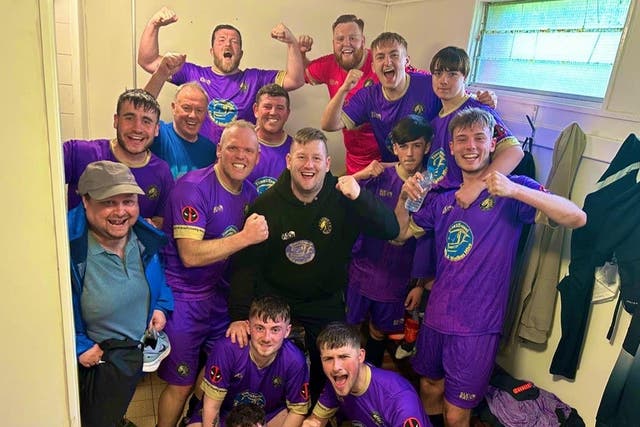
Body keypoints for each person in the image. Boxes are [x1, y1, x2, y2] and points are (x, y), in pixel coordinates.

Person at [394, 108, 586, 427]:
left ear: (491, 145)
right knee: (428, 387)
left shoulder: (513, 190)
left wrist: (515, 189)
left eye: (479, 138)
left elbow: (577, 217)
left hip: (477, 327)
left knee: (457, 413)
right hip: (437, 317)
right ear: (451, 148)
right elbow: (400, 235)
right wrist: (403, 198)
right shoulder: (443, 198)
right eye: (462, 139)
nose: (471, 146)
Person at [227, 127, 400, 400]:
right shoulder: (267, 205)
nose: (309, 166)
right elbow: (246, 263)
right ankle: (271, 405)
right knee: (262, 353)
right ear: (288, 161)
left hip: (323, 298)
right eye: (302, 157)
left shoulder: (343, 197)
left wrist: (360, 196)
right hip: (276, 296)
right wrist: (239, 315)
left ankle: (319, 411)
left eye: (316, 159)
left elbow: (391, 229)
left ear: (327, 164)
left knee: (332, 362)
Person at [156, 120, 268, 427]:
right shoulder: (193, 187)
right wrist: (245, 237)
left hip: (221, 298)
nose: (240, 156)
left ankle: (194, 418)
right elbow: (190, 256)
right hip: (184, 297)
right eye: (232, 147)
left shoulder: (250, 192)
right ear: (219, 150)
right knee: (180, 382)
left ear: (257, 157)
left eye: (248, 150)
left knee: (220, 365)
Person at [69, 160, 174, 426]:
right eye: (108, 202)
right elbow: (47, 309)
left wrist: (160, 305)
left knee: (115, 408)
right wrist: (80, 345)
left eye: (128, 201)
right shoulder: (69, 250)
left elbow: (158, 276)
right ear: (85, 200)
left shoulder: (143, 237)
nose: (120, 212)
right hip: (95, 362)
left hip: (130, 355)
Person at [320, 32, 496, 166]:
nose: (387, 62)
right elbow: (328, 125)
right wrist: (343, 89)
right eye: (380, 57)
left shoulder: (429, 84)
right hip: (395, 170)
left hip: (430, 171)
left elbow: (458, 96)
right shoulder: (368, 95)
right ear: (373, 67)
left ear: (406, 62)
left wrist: (485, 99)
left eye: (394, 55)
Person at [138, 6, 305, 144]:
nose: (228, 44)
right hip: (200, 157)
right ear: (212, 51)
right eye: (221, 40)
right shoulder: (193, 73)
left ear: (240, 53)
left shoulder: (255, 79)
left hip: (239, 159)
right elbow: (148, 61)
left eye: (234, 42)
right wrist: (154, 24)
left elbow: (295, 79)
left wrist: (291, 43)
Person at [347, 114, 433, 367]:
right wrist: (363, 174)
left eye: (416, 146)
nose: (409, 153)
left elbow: (429, 241)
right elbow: (340, 191)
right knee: (351, 326)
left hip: (396, 275)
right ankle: (346, 376)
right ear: (394, 148)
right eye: (403, 146)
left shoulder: (430, 186)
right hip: (362, 267)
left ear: (426, 147)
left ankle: (371, 377)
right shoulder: (379, 174)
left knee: (378, 330)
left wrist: (420, 283)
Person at [185, 296, 309, 427]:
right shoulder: (227, 349)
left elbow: (297, 410)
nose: (267, 338)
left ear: (287, 331)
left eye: (275, 329)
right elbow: (212, 406)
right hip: (225, 412)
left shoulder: (295, 359)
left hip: (269, 414)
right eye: (260, 328)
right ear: (248, 327)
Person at [427, 46, 522, 207]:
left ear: (464, 77)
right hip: (436, 203)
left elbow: (514, 152)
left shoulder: (477, 110)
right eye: (438, 73)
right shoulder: (435, 120)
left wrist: (478, 185)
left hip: (466, 203)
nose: (443, 80)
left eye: (452, 74)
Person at [64, 88, 174, 228]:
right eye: (129, 118)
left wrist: (151, 226)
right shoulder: (79, 153)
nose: (137, 128)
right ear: (116, 121)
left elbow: (163, 220)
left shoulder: (162, 171)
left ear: (156, 129)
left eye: (146, 121)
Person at [302, 322, 430, 427]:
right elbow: (316, 419)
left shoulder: (398, 399)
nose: (336, 367)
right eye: (328, 359)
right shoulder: (336, 382)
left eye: (344, 357)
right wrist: (312, 422)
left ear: (360, 356)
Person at [299, 14, 382, 174]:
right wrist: (301, 54)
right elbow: (303, 74)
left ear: (363, 41)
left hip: (385, 158)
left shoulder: (379, 61)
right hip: (353, 158)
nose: (346, 44)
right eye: (340, 39)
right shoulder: (330, 63)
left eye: (353, 38)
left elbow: (407, 77)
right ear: (333, 43)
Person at [143, 53, 218, 180]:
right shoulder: (159, 134)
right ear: (174, 107)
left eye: (199, 110)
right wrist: (161, 74)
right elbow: (141, 112)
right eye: (186, 108)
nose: (193, 115)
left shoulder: (210, 150)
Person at [247, 83, 294, 194]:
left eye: (280, 108)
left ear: (287, 114)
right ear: (256, 110)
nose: (273, 112)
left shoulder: (296, 150)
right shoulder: (240, 144)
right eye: (267, 107)